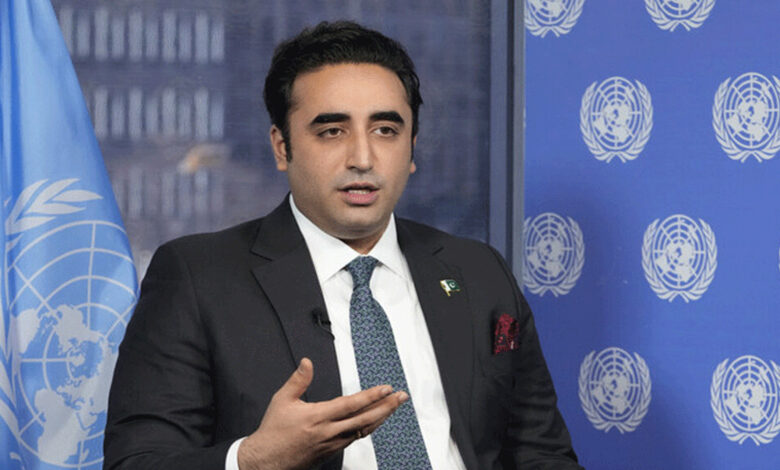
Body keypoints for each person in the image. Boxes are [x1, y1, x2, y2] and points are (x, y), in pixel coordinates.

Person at [104, 21, 582, 470]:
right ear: (282, 147)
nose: (362, 158)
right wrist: (252, 459)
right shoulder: (198, 277)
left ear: (412, 148)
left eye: (385, 130)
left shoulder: (478, 271)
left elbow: (543, 455)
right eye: (332, 131)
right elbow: (137, 462)